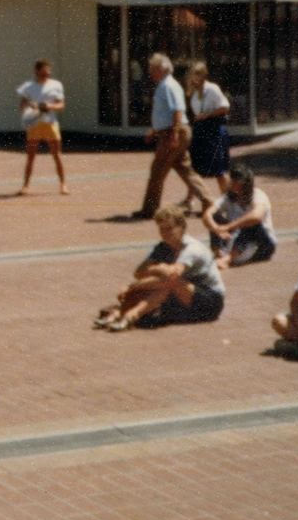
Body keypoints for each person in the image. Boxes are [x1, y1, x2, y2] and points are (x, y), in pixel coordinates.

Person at [94, 206, 225, 331]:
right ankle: (119, 314)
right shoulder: (163, 247)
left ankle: (129, 316)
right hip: (184, 296)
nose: (165, 233)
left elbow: (172, 276)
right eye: (162, 229)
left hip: (210, 302)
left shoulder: (192, 249)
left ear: (183, 227)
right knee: (150, 289)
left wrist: (133, 286)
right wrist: (158, 269)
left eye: (169, 228)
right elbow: (139, 272)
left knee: (167, 281)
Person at [132, 54, 211, 220]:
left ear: (165, 69)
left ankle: (150, 209)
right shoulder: (165, 86)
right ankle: (208, 201)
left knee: (157, 170)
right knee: (185, 169)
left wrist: (174, 134)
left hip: (173, 132)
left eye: (154, 69)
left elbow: (177, 110)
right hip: (173, 131)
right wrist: (154, 130)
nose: (151, 73)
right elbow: (165, 114)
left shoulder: (168, 86)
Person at [202, 163, 275, 269]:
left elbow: (256, 216)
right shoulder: (229, 197)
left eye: (235, 180)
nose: (231, 182)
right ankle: (218, 253)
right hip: (236, 239)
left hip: (260, 243)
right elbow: (207, 214)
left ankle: (228, 259)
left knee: (250, 222)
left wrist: (228, 227)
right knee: (215, 217)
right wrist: (216, 229)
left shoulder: (258, 195)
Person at [17, 60, 69, 195]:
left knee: (57, 155)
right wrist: (32, 107)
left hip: (50, 123)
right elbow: (22, 106)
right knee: (31, 156)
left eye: (49, 71)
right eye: (45, 70)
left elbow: (61, 105)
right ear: (37, 70)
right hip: (34, 123)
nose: (48, 73)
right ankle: (25, 186)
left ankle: (63, 185)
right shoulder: (28, 86)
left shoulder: (56, 85)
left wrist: (49, 106)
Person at [185, 61, 231, 206]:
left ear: (203, 75)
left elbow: (225, 106)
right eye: (192, 75)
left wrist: (207, 114)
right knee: (195, 168)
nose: (193, 78)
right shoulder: (194, 93)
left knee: (219, 170)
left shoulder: (212, 89)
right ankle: (189, 199)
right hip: (201, 132)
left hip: (213, 132)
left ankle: (228, 200)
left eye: (196, 75)